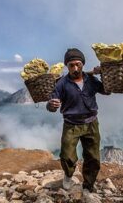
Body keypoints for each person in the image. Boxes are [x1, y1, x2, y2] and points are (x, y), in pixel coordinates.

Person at [46, 48, 110, 196]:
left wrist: (103, 73)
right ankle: (68, 176)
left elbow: (107, 91)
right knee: (67, 155)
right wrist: (51, 105)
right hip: (71, 124)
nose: (75, 68)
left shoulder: (91, 80)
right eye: (71, 65)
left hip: (91, 123)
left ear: (82, 64)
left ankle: (88, 185)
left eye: (78, 64)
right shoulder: (61, 84)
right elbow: (51, 105)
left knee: (93, 157)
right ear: (67, 66)